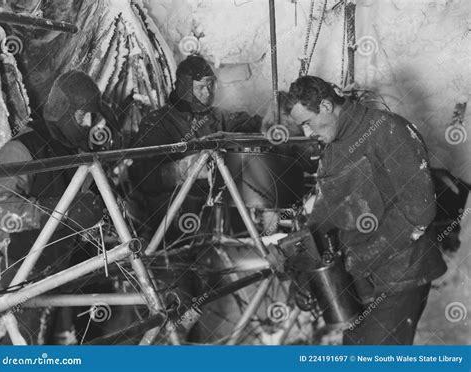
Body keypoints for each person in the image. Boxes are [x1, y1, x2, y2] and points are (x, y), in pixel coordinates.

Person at [285, 75, 447, 345]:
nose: (306, 133)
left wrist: (364, 254)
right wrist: (304, 268)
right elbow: (324, 215)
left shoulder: (388, 129)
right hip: (363, 279)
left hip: (401, 276)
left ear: (326, 106)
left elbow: (420, 210)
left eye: (306, 122)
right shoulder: (333, 148)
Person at [0, 70, 115, 344]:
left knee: (63, 343)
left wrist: (101, 210)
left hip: (60, 267)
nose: (88, 123)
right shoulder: (21, 149)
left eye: (91, 116)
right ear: (63, 111)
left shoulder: (75, 150)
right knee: (22, 346)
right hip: (19, 273)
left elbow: (85, 202)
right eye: (81, 114)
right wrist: (62, 213)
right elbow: (0, 211)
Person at [129, 54, 263, 237]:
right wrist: (185, 168)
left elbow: (251, 125)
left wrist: (274, 122)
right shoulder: (157, 122)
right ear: (185, 88)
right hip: (176, 216)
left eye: (210, 85)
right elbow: (142, 177)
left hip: (219, 213)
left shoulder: (217, 116)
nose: (208, 93)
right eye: (200, 87)